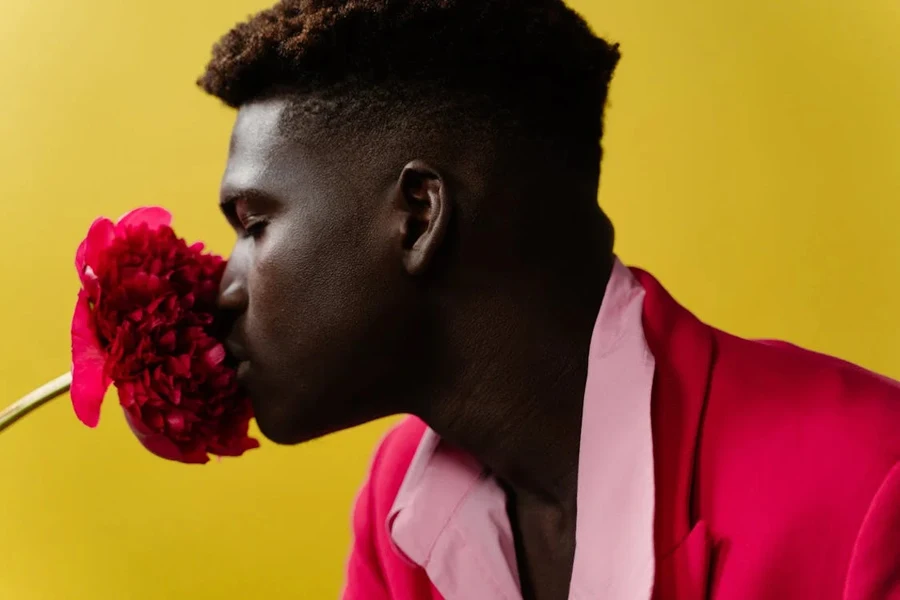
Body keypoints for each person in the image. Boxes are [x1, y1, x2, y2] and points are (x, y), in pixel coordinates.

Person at [199, 1, 900, 598]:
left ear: (418, 215)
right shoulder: (395, 510)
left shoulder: (874, 480)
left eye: (254, 225)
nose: (223, 291)